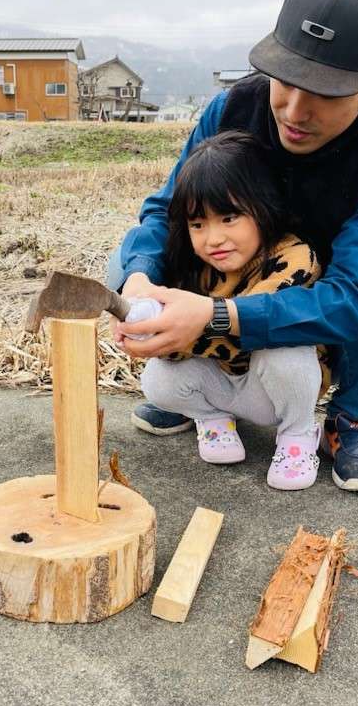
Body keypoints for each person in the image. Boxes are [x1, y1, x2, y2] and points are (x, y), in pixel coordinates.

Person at [109, 0, 358, 493]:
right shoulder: (234, 106)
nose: (294, 110)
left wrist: (215, 318)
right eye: (286, 80)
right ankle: (205, 394)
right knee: (127, 260)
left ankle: (350, 421)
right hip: (236, 270)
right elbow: (168, 210)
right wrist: (141, 281)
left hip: (318, 286)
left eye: (325, 92)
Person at [139, 130, 329, 490]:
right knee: (156, 378)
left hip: (275, 390)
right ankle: (211, 419)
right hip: (223, 386)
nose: (213, 239)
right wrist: (151, 332)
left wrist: (190, 328)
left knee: (286, 351)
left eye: (229, 218)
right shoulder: (193, 267)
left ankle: (298, 435)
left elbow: (264, 319)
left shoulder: (293, 256)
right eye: (198, 224)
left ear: (264, 206)